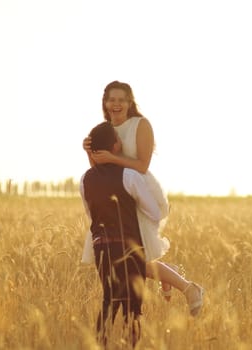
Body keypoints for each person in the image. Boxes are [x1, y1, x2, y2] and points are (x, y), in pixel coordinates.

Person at [81, 80, 203, 316]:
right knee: (129, 258)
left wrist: (113, 158)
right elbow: (100, 170)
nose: (116, 104)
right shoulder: (104, 129)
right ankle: (175, 277)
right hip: (115, 199)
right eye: (111, 100)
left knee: (135, 258)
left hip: (139, 193)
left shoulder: (141, 124)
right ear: (105, 103)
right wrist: (90, 152)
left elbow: (143, 165)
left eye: (121, 100)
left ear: (129, 102)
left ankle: (188, 287)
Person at [79, 121, 156, 347]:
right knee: (133, 307)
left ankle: (100, 345)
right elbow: (153, 211)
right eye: (118, 138)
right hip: (130, 248)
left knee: (109, 300)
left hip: (101, 246)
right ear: (114, 147)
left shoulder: (85, 179)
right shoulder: (129, 176)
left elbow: (90, 213)